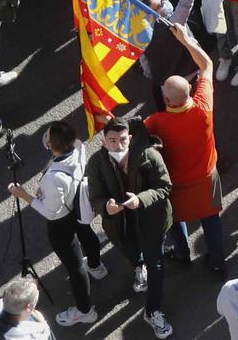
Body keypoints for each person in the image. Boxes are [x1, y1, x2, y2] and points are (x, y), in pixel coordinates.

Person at [145, 23, 227, 275]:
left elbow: (131, 135)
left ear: (166, 100)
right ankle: (217, 264)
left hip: (176, 183)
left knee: (174, 219)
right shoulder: (203, 108)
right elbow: (206, 65)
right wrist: (186, 41)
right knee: (211, 220)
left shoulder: (156, 122)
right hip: (205, 179)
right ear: (190, 90)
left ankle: (182, 254)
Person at [8, 121, 106, 326]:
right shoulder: (79, 147)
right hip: (78, 205)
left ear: (52, 145)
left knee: (75, 265)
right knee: (86, 233)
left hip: (61, 221)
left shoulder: (53, 179)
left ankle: (84, 310)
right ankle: (96, 266)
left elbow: (50, 212)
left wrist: (23, 194)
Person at [83, 116, 174, 337]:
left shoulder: (149, 155)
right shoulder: (96, 163)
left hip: (152, 222)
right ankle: (137, 265)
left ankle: (153, 311)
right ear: (103, 142)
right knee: (131, 251)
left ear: (130, 138)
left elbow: (165, 187)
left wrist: (141, 199)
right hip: (119, 225)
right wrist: (106, 206)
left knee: (157, 268)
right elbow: (95, 196)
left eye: (122, 139)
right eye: (112, 140)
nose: (118, 145)